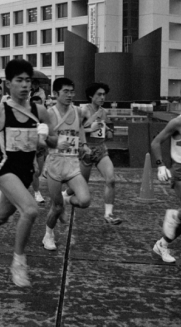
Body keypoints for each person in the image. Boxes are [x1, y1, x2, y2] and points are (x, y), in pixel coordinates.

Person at [0, 59, 56, 287]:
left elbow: (54, 141)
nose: (25, 85)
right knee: (31, 209)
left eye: (28, 80)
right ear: (8, 84)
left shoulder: (40, 111)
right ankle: (18, 261)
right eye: (19, 81)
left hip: (26, 171)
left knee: (1, 216)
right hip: (5, 169)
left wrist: (46, 137)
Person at [42, 77, 92, 252]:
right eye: (66, 91)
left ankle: (67, 198)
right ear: (56, 94)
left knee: (85, 201)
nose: (70, 95)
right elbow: (42, 139)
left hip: (72, 163)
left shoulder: (78, 111)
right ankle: (48, 234)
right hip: (55, 163)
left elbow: (80, 129)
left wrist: (84, 145)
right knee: (56, 208)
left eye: (72, 91)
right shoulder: (49, 114)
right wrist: (55, 143)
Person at [66, 83, 121, 224]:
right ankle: (65, 196)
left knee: (111, 180)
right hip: (87, 150)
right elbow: (76, 129)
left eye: (104, 94)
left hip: (101, 149)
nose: (102, 97)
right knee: (79, 188)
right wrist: (91, 129)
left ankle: (109, 214)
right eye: (99, 94)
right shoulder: (84, 110)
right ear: (91, 96)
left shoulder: (104, 112)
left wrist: (109, 132)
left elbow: (108, 132)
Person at [150, 80, 181, 263]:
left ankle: (162, 244)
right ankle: (173, 215)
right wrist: (160, 165)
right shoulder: (178, 122)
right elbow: (156, 142)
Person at [29, 95, 47, 205]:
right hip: (29, 148)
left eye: (39, 104)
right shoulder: (27, 117)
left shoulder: (45, 117)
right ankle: (37, 193)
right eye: (35, 105)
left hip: (41, 148)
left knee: (38, 172)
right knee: (35, 171)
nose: (37, 107)